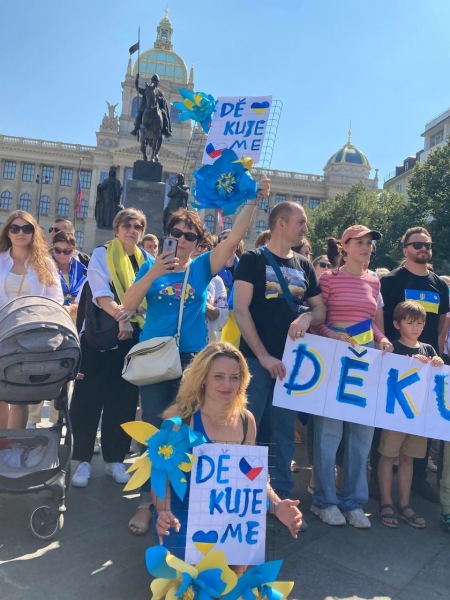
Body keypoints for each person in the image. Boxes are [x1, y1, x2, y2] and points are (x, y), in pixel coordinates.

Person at [123, 177, 270, 535]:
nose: (182, 240)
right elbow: (127, 304)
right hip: (155, 358)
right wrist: (154, 272)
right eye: (176, 233)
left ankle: (184, 497)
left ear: (198, 241)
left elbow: (233, 240)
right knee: (154, 430)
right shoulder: (150, 265)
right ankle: (147, 503)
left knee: (187, 428)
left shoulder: (202, 266)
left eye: (190, 236)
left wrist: (253, 200)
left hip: (192, 360)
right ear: (168, 234)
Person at [153, 342, 302, 569]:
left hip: (230, 514)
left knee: (235, 575)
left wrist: (277, 505)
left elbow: (252, 477)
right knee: (191, 581)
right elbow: (160, 474)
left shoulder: (246, 421)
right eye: (219, 376)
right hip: (182, 512)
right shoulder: (179, 420)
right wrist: (163, 510)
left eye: (234, 377)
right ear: (203, 378)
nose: (227, 385)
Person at [233, 201, 325, 509]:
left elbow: (320, 309)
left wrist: (307, 317)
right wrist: (262, 356)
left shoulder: (305, 265)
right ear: (281, 224)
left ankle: (282, 496)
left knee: (285, 431)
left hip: (292, 365)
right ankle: (244, 494)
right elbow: (241, 310)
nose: (306, 228)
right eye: (301, 222)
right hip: (255, 362)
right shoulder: (252, 259)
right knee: (248, 428)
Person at [312, 225, 393, 528]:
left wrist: (382, 339)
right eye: (360, 242)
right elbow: (318, 319)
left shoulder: (374, 281)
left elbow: (371, 323)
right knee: (329, 432)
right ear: (344, 247)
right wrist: (330, 334)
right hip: (334, 354)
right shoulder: (328, 278)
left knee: (362, 433)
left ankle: (353, 502)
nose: (366, 247)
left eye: (369, 242)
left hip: (365, 356)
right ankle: (324, 500)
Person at [69, 208, 151, 488]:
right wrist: (122, 318)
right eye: (127, 225)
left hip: (132, 338)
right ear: (117, 229)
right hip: (100, 336)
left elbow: (148, 297)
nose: (132, 230)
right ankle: (81, 460)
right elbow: (101, 293)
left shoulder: (146, 260)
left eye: (137, 226)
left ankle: (115, 459)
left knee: (123, 399)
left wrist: (131, 315)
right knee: (87, 399)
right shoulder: (102, 254)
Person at [370, 227, 450, 504]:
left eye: (427, 244)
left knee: (421, 428)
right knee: (385, 428)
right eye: (417, 244)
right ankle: (377, 482)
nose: (423, 248)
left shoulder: (439, 285)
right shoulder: (390, 281)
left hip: (427, 366)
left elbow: (442, 326)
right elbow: (380, 319)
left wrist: (435, 358)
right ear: (405, 249)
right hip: (395, 366)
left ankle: (418, 481)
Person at [378, 301, 443, 528]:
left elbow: (437, 377)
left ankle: (404, 504)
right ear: (397, 324)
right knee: (388, 456)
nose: (416, 328)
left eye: (419, 323)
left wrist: (437, 362)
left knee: (409, 458)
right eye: (410, 323)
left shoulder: (428, 349)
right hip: (394, 414)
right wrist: (407, 363)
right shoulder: (393, 348)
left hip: (418, 416)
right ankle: (386, 502)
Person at [0, 211, 63, 430]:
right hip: (1, 330)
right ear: (8, 232)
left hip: (29, 334)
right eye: (15, 228)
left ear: (33, 233)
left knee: (19, 394)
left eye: (27, 228)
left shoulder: (44, 263)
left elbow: (55, 299)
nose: (21, 233)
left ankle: (14, 445)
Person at [192, 231, 229, 342]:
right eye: (196, 245)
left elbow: (222, 318)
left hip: (203, 341)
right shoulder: (174, 274)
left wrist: (202, 302)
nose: (199, 249)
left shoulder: (216, 280)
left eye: (203, 246)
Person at [51, 231, 87, 321]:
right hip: (51, 318)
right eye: (58, 250)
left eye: (66, 251)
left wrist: (71, 308)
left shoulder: (83, 271)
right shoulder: (44, 268)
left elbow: (87, 301)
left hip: (76, 321)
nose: (61, 254)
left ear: (73, 250)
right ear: (53, 248)